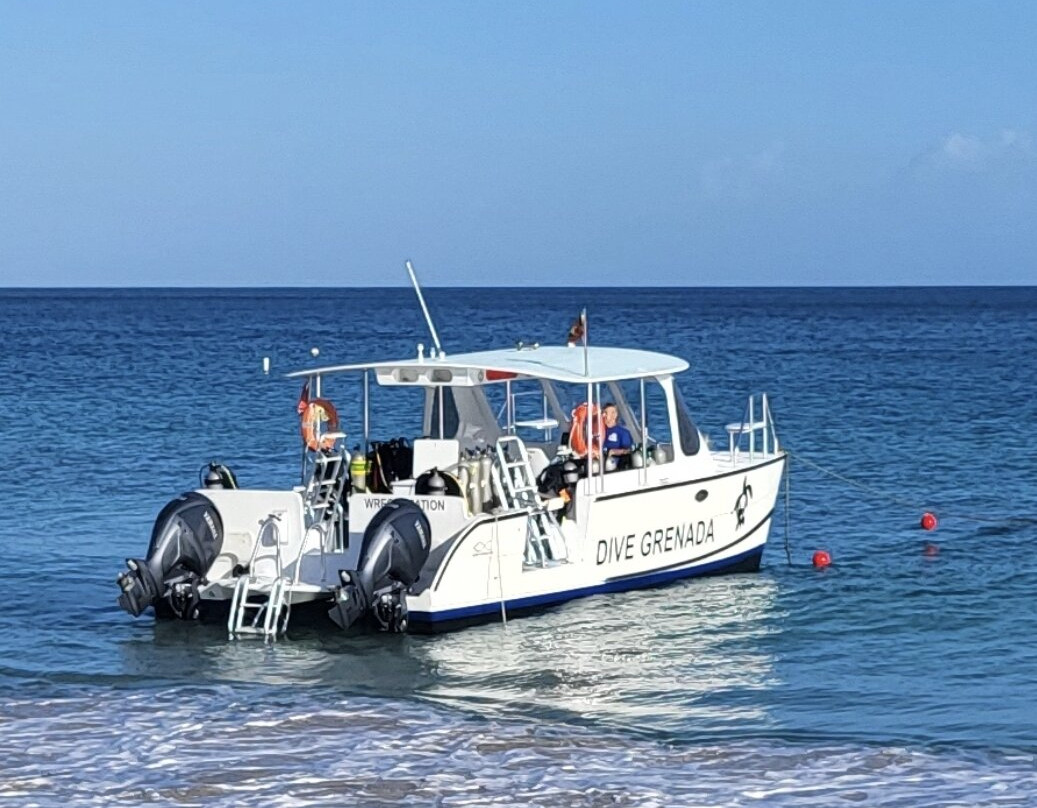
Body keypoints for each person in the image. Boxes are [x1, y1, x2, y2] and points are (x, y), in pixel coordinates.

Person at [602, 403, 633, 469]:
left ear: (614, 415)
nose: (603, 415)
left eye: (606, 413)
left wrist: (614, 451)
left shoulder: (623, 433)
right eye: (603, 413)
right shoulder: (600, 432)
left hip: (615, 465)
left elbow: (629, 450)